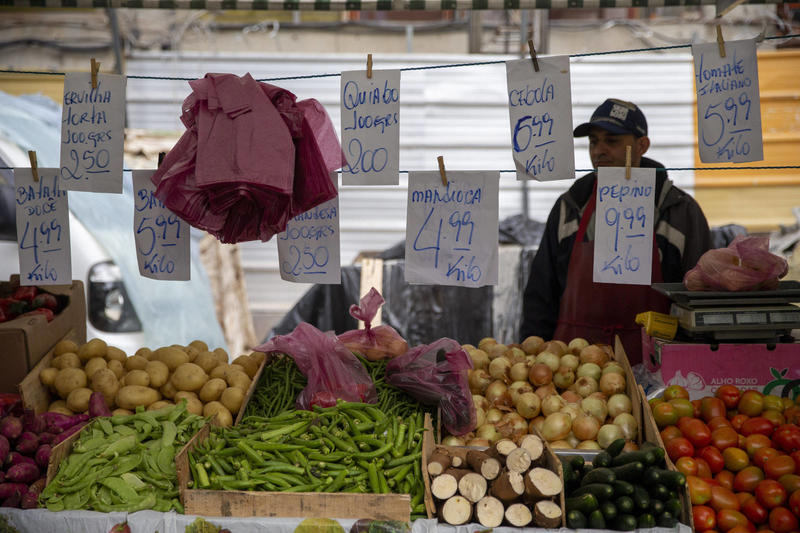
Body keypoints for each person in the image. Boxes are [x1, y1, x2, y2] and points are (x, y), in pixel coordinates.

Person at [520, 98, 711, 365]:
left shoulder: (679, 211)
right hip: (574, 366)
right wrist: (533, 357)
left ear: (642, 145)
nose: (599, 150)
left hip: (655, 365)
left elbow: (700, 297)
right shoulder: (570, 206)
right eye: (593, 141)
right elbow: (541, 294)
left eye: (611, 141)